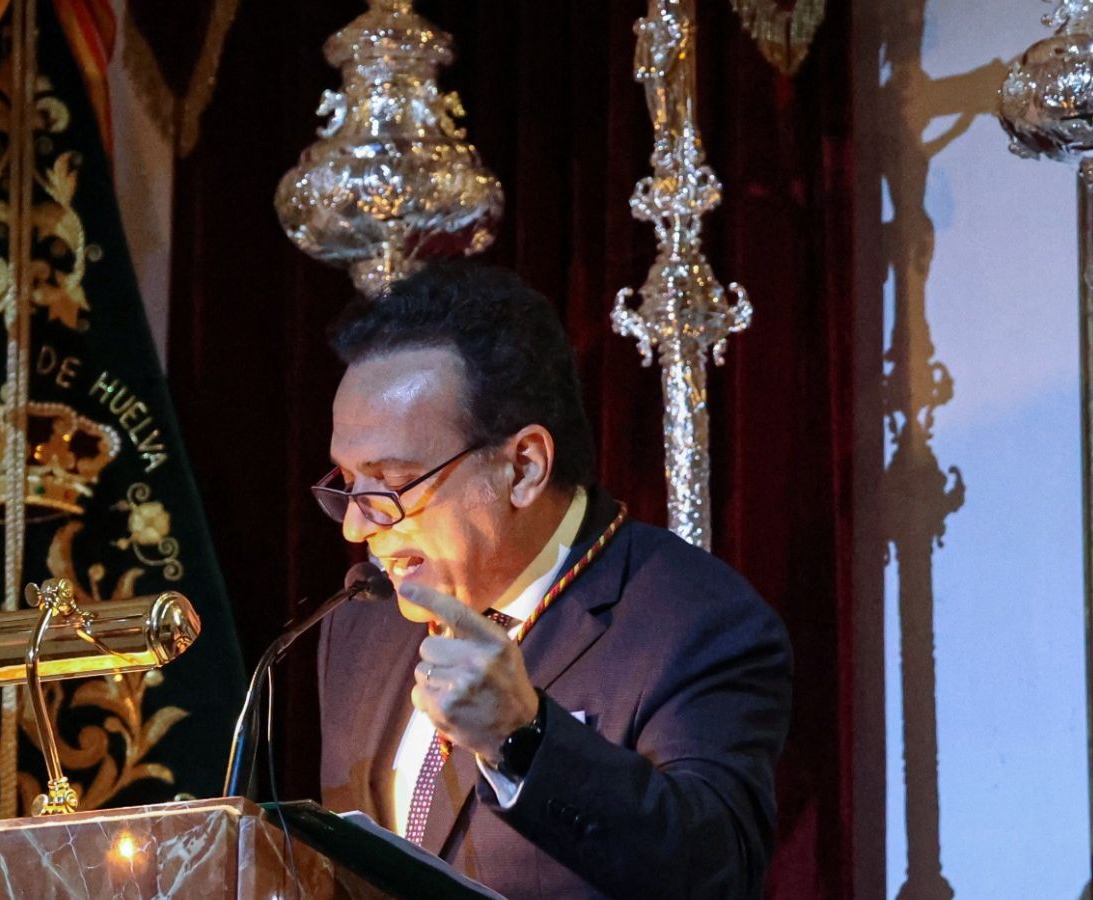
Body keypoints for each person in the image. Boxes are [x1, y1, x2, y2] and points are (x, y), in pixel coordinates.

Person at [314, 263, 791, 899]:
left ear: (525, 466)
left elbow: (714, 876)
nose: (355, 526)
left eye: (393, 482)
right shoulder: (357, 626)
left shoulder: (694, 619)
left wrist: (524, 736)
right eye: (347, 483)